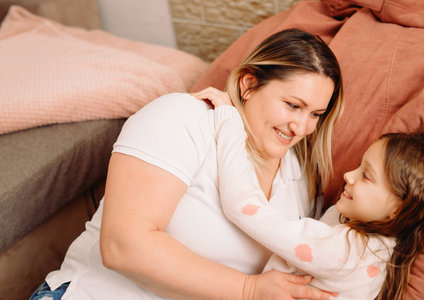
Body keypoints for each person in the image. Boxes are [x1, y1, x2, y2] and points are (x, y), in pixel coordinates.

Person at [30, 29, 344, 300]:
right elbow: (121, 246)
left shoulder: (298, 179)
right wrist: (250, 289)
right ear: (249, 85)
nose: (301, 128)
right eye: (293, 105)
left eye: (316, 114)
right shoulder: (184, 118)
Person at [198, 94, 424, 299]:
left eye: (366, 176)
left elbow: (242, 205)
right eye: (359, 167)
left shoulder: (345, 250)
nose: (349, 175)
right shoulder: (378, 246)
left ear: (398, 209)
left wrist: (229, 121)